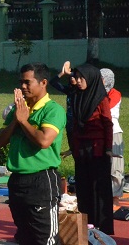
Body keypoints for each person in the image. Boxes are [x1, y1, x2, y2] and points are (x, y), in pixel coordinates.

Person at [0, 63, 66, 245]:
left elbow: (43, 141)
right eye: (21, 82)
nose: (22, 87)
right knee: (24, 237)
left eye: (27, 82)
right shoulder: (20, 109)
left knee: (45, 239)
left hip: (41, 181)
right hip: (18, 180)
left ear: (43, 82)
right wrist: (16, 121)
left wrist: (24, 122)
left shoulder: (53, 110)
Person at [71, 64, 114, 234]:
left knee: (99, 187)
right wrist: (74, 148)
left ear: (91, 78)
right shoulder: (77, 96)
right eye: (77, 78)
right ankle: (86, 224)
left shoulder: (100, 98)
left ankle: (101, 226)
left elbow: (107, 124)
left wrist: (109, 148)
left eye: (82, 78)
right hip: (81, 149)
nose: (79, 81)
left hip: (98, 149)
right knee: (83, 186)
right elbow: (75, 125)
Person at [100, 68, 125, 206]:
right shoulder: (96, 94)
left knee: (115, 166)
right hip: (99, 132)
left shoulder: (115, 94)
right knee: (101, 164)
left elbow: (105, 109)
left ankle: (115, 196)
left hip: (114, 132)